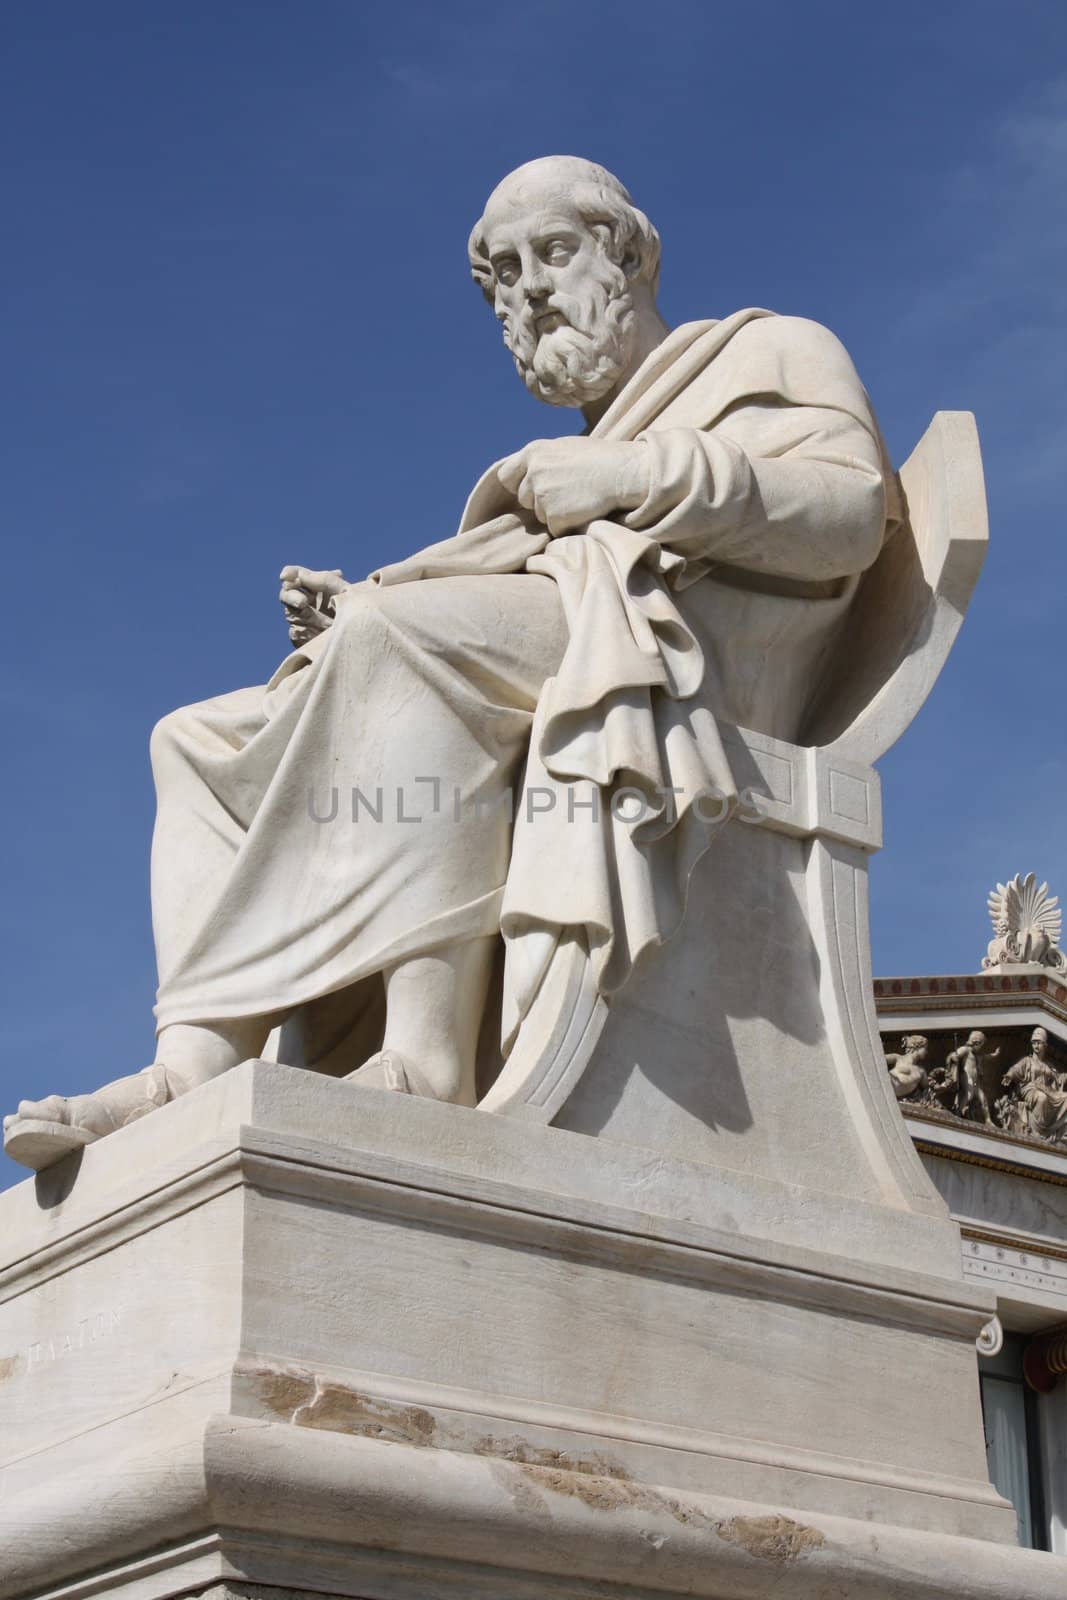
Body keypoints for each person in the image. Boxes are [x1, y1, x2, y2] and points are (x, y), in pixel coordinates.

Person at [3, 156, 895, 1171]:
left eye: (552, 252)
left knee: (399, 649)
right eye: (505, 275)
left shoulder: (766, 351)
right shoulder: (570, 453)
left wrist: (632, 470)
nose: (530, 290)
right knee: (197, 741)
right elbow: (501, 589)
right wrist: (369, 599)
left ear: (631, 255)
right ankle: (195, 1056)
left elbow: (847, 512)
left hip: (685, 663)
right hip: (583, 630)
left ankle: (423, 1059)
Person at [997, 1028, 1067, 1142]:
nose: (1036, 1045)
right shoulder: (1027, 1060)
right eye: (1034, 1042)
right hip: (1030, 1089)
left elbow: (1059, 1079)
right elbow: (1016, 1069)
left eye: (1039, 1043)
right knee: (1041, 1098)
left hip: (1049, 1091)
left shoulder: (1048, 1065)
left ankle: (1061, 1133)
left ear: (1045, 1045)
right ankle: (1037, 1132)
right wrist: (1009, 1075)